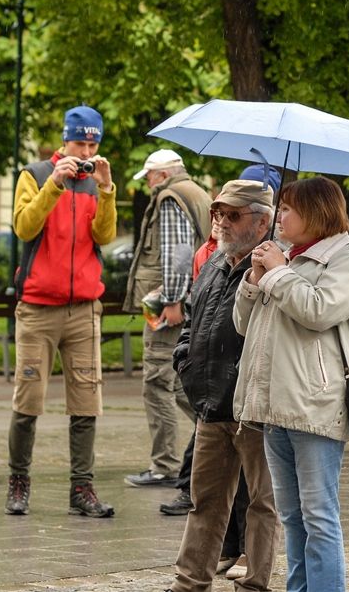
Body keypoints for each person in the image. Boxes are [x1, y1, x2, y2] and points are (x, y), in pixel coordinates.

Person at [233, 176, 349, 592]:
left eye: (289, 209)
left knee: (318, 515)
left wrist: (277, 274)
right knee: (291, 517)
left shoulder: (348, 260)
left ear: (315, 213)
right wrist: (254, 280)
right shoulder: (287, 260)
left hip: (316, 405)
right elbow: (244, 326)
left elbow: (319, 310)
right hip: (275, 407)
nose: (280, 216)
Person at [165, 179, 279, 592]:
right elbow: (194, 321)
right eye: (218, 213)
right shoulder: (215, 262)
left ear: (262, 221)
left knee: (261, 503)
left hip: (254, 406)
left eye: (232, 215)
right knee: (205, 501)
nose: (222, 222)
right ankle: (189, 580)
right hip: (210, 403)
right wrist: (186, 363)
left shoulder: (276, 266)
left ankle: (254, 582)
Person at [4, 105, 117, 518]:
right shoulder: (33, 174)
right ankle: (18, 482)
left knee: (87, 400)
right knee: (28, 398)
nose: (86, 150)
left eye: (93, 143)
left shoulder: (95, 183)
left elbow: (103, 235)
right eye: (80, 142)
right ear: (65, 140)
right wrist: (53, 183)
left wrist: (106, 191)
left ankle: (81, 488)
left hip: (83, 309)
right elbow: (24, 226)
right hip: (37, 307)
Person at [123, 149, 212, 488]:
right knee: (178, 382)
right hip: (192, 300)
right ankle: (219, 431)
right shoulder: (197, 192)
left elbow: (178, 253)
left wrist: (172, 301)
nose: (147, 184)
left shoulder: (170, 197)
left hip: (170, 305)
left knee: (158, 382)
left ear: (161, 174)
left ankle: (164, 465)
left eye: (148, 177)